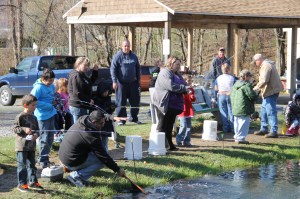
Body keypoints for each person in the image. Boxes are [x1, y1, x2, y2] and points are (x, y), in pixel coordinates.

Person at [58, 110, 126, 187]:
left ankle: (72, 168)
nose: (103, 125)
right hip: (70, 160)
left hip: (63, 156)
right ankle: (76, 176)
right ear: (94, 122)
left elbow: (104, 116)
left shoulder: (83, 119)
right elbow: (103, 157)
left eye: (103, 122)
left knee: (98, 154)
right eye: (101, 123)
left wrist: (112, 117)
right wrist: (117, 169)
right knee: (101, 161)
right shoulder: (91, 136)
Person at [153, 56, 189, 151]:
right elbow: (170, 85)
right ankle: (159, 146)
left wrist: (185, 88)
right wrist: (183, 89)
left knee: (169, 125)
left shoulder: (177, 74)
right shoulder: (165, 72)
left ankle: (169, 145)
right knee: (162, 125)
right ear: (171, 64)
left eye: (179, 64)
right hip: (163, 103)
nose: (178, 66)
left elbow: (184, 84)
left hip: (173, 105)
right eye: (177, 64)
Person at [12, 94, 44, 192]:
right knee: (22, 166)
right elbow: (14, 128)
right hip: (22, 146)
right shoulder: (20, 116)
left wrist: (35, 135)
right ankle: (21, 184)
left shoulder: (34, 117)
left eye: (35, 105)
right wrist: (24, 129)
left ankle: (33, 182)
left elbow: (38, 130)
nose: (35, 107)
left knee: (32, 165)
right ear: (25, 105)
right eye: (33, 105)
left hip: (31, 146)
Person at [110, 40, 141, 125]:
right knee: (121, 102)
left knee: (135, 102)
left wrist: (138, 80)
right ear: (122, 46)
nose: (126, 48)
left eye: (128, 46)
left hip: (133, 83)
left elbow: (138, 68)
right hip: (121, 83)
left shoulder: (134, 56)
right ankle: (121, 120)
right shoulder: (117, 56)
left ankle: (134, 118)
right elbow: (113, 69)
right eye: (125, 46)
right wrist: (114, 81)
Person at [252, 54, 284, 138]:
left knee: (270, 111)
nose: (255, 64)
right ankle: (264, 128)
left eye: (255, 62)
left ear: (258, 60)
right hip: (268, 91)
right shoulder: (266, 65)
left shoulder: (266, 66)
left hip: (271, 91)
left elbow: (264, 80)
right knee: (263, 111)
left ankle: (273, 131)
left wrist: (255, 88)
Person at [30, 68, 56, 168]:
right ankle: (41, 160)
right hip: (42, 116)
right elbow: (33, 101)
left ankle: (45, 157)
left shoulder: (52, 86)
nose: (51, 83)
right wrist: (48, 104)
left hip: (51, 113)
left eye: (52, 81)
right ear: (43, 79)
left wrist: (53, 102)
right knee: (43, 138)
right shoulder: (38, 88)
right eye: (49, 81)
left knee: (50, 137)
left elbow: (51, 97)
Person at [230, 69, 258, 144]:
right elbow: (252, 96)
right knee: (244, 123)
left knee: (237, 123)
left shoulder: (235, 84)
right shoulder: (246, 85)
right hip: (244, 107)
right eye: (249, 77)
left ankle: (237, 137)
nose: (250, 79)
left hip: (235, 107)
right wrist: (257, 92)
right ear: (245, 76)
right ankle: (241, 138)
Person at [68, 57, 98, 123]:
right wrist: (88, 100)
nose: (87, 67)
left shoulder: (81, 74)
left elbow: (89, 83)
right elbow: (77, 92)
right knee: (79, 127)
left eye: (88, 65)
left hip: (82, 105)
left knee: (82, 125)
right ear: (79, 64)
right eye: (85, 65)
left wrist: (95, 71)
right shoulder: (76, 75)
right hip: (77, 106)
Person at [93, 82, 116, 151]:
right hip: (99, 123)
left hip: (106, 123)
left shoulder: (108, 98)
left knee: (105, 141)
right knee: (98, 141)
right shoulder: (96, 99)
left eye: (107, 91)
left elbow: (109, 111)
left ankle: (105, 153)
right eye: (105, 91)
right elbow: (98, 112)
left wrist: (112, 108)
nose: (106, 93)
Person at [176, 74, 196, 146]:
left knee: (188, 127)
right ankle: (179, 139)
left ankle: (187, 141)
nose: (188, 82)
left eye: (189, 80)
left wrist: (192, 96)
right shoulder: (181, 89)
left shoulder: (191, 89)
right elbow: (180, 98)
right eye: (186, 80)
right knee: (183, 126)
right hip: (183, 110)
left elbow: (193, 100)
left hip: (189, 110)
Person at [215, 63, 235, 133]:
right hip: (230, 94)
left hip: (221, 95)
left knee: (223, 112)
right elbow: (235, 87)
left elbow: (216, 88)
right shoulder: (232, 78)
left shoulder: (218, 78)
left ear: (222, 70)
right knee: (231, 112)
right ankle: (233, 128)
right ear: (229, 70)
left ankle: (225, 128)